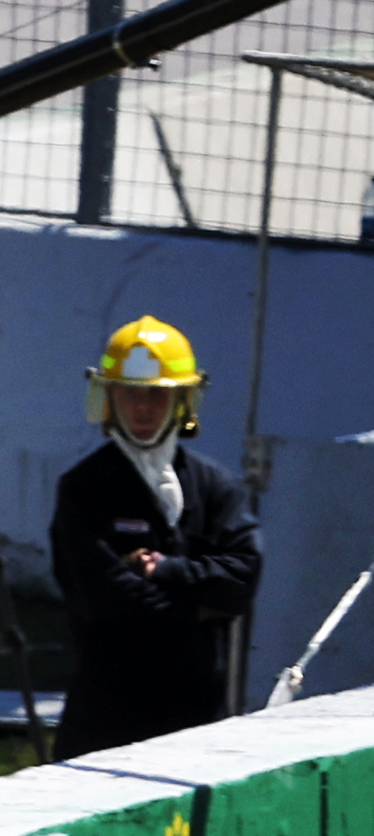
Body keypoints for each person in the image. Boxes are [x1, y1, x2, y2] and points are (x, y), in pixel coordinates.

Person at [46, 315, 261, 760]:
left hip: (197, 719)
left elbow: (242, 579)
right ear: (107, 399)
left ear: (183, 400)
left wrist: (165, 569)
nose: (143, 409)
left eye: (158, 396)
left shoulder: (216, 485)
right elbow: (103, 598)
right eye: (130, 393)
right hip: (106, 721)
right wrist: (200, 607)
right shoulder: (84, 489)